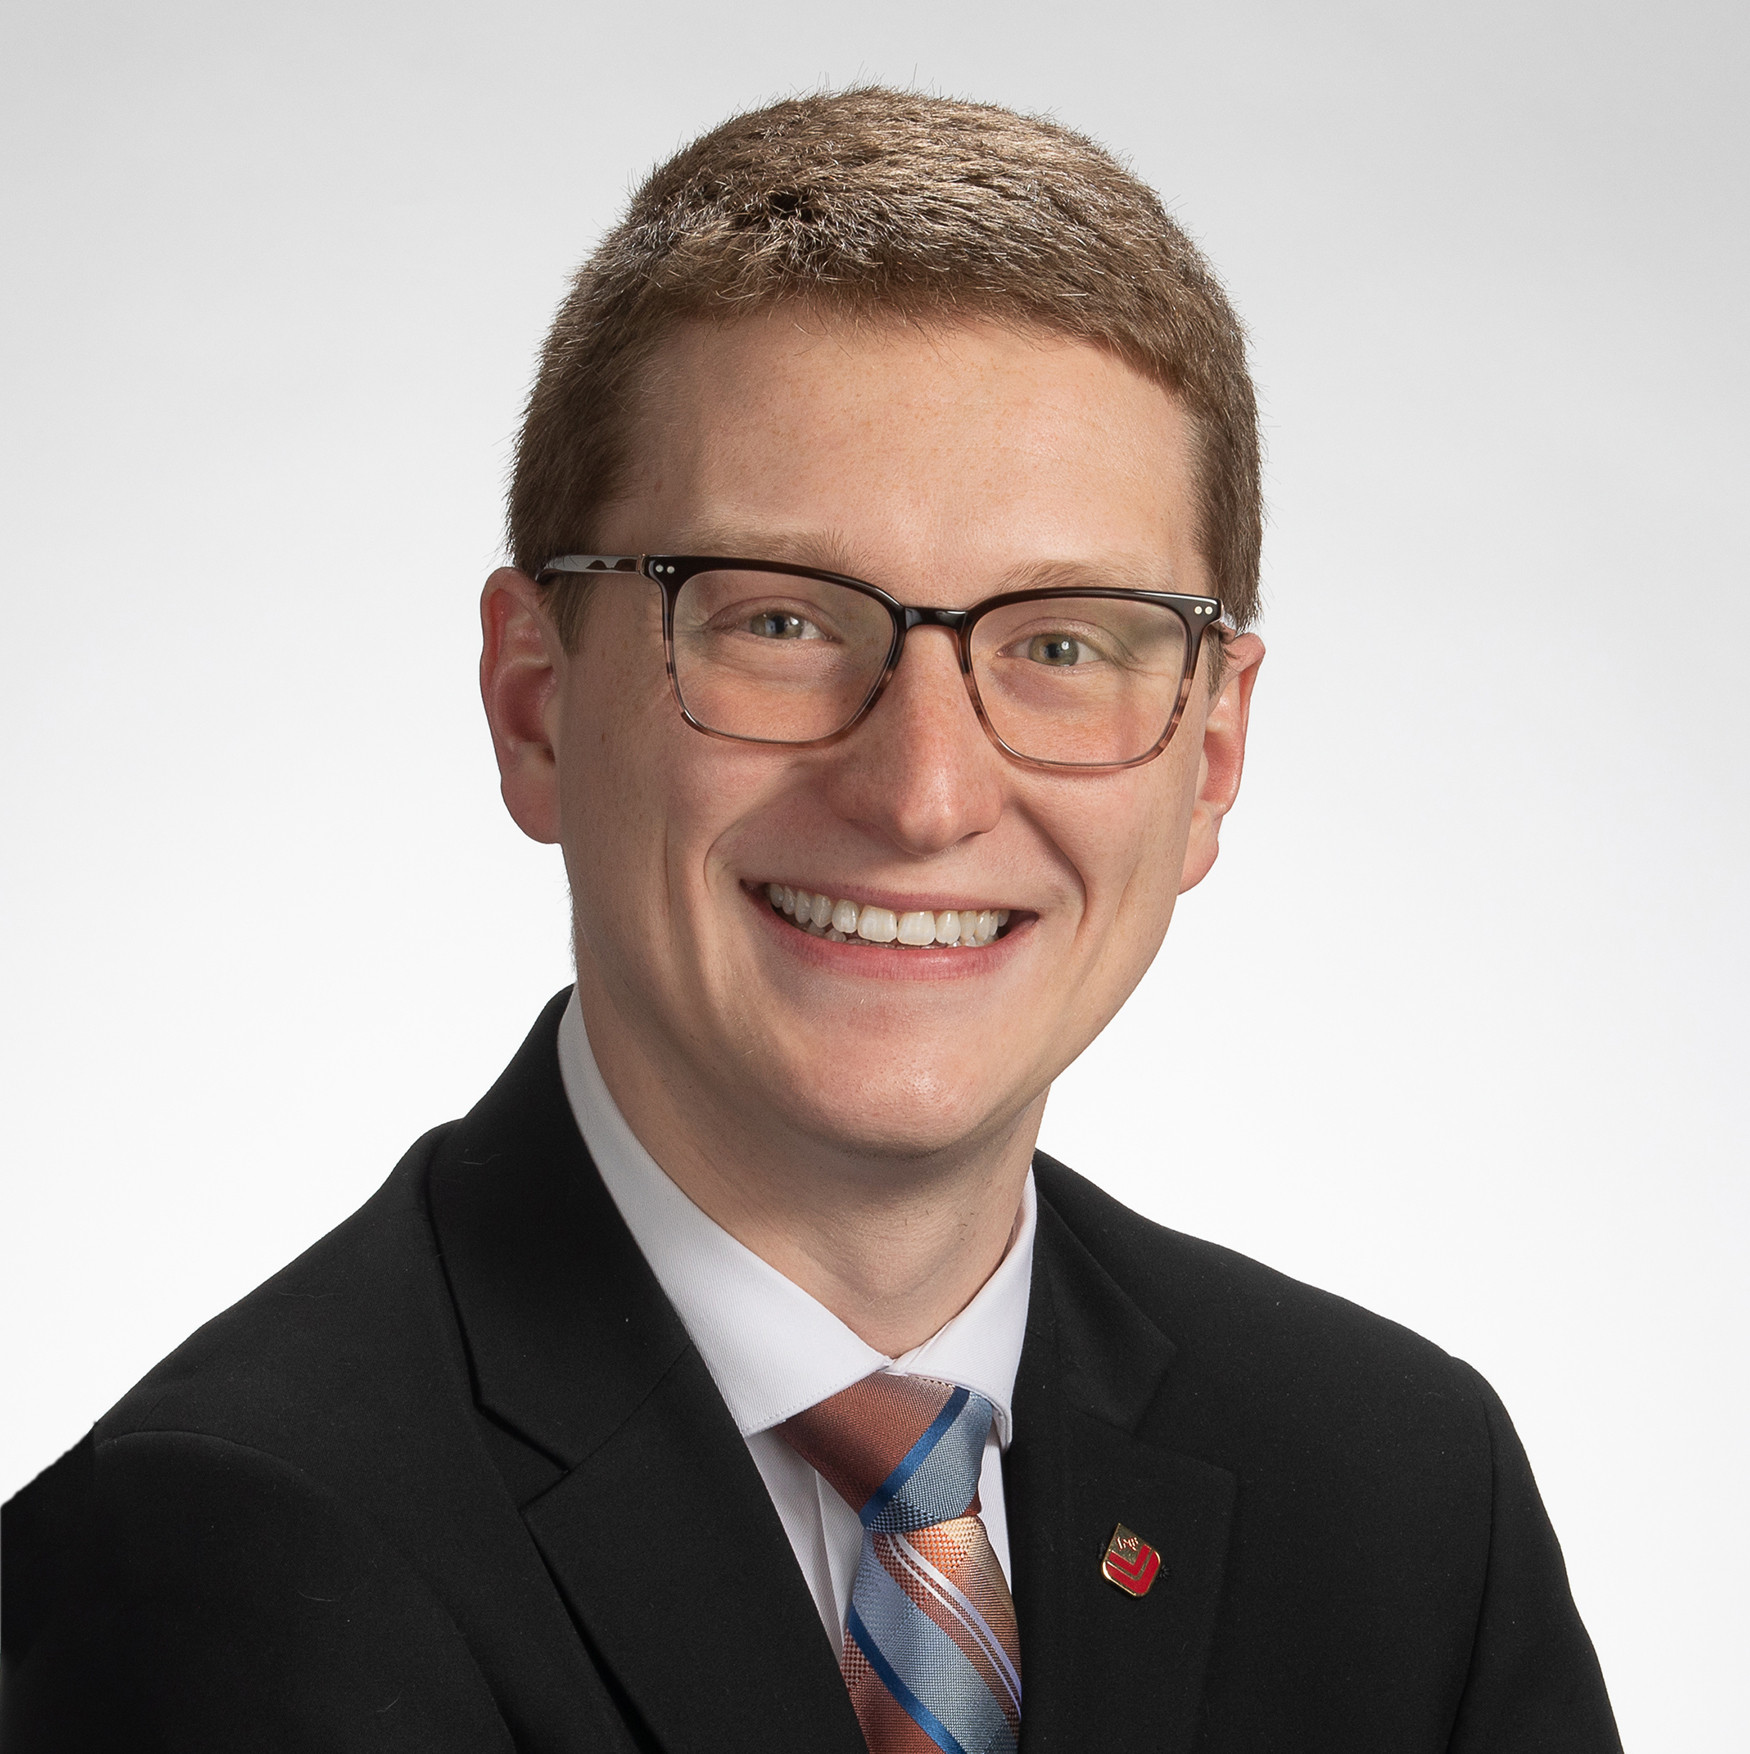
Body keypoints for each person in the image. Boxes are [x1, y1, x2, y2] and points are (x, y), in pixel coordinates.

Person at [0, 88, 1620, 1754]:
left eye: (1062, 643)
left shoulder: (1403, 1499)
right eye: (778, 620)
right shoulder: (222, 1559)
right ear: (535, 702)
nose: (922, 790)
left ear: (1209, 755)